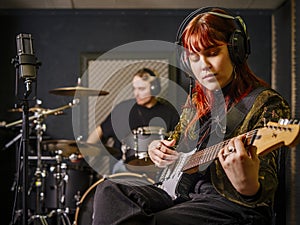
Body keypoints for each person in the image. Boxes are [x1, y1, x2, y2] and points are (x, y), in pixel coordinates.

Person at [92, 7, 290, 225]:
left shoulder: (267, 103)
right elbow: (176, 143)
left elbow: (267, 188)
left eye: (213, 53)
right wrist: (157, 149)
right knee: (110, 189)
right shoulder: (198, 101)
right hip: (185, 192)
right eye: (194, 58)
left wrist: (248, 186)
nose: (203, 65)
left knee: (157, 220)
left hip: (231, 204)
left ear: (236, 51)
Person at [86, 67, 180, 174]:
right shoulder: (122, 109)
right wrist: (83, 151)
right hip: (124, 165)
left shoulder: (168, 112)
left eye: (141, 89)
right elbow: (100, 131)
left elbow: (179, 142)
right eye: (134, 89)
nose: (136, 93)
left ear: (154, 88)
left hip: (158, 166)